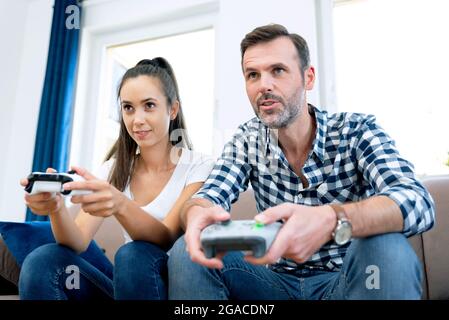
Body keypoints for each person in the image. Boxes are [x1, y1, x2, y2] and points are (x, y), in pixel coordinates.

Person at [167, 24, 436, 300]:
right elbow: (209, 195)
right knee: (188, 250)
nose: (264, 85)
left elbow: (417, 201)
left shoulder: (356, 131)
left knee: (386, 245)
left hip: (346, 283)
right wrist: (196, 212)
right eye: (253, 75)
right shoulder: (247, 140)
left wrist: (333, 218)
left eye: (278, 71)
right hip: (272, 284)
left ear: (308, 78)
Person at [19, 57, 214, 300]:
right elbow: (77, 241)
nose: (137, 119)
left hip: (171, 286)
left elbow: (167, 236)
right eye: (128, 108)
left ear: (173, 109)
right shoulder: (114, 170)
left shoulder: (199, 166)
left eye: (149, 105)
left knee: (133, 254)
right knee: (43, 260)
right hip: (129, 286)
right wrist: (56, 207)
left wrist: (120, 203)